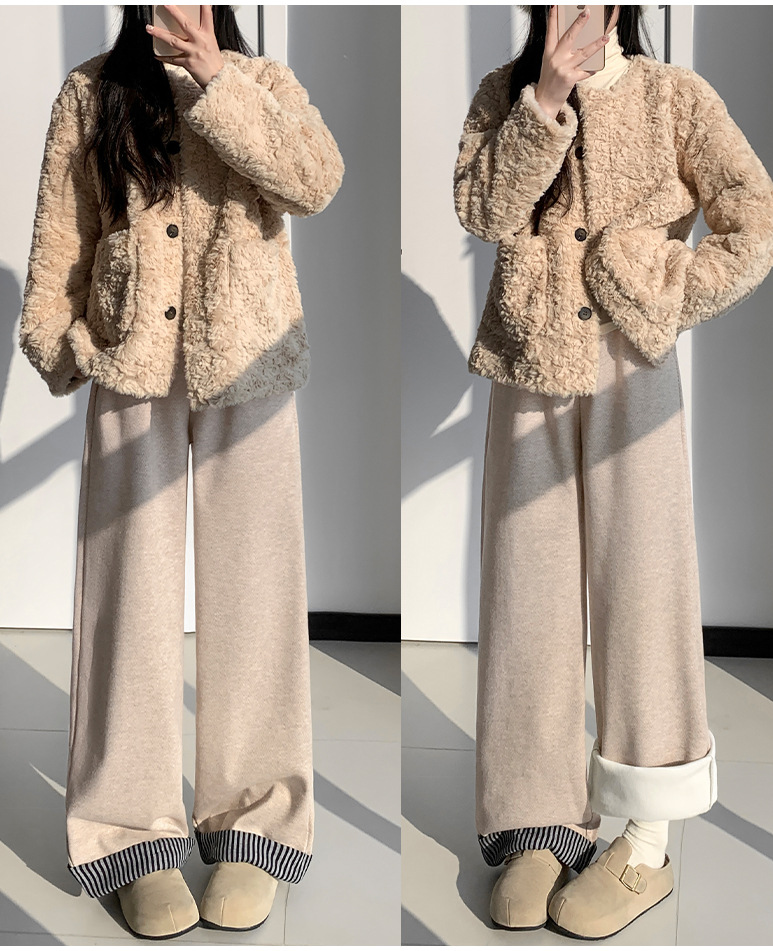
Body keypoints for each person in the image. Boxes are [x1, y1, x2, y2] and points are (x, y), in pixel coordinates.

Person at [453, 4, 773, 940]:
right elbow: (482, 211)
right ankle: (537, 821)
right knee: (528, 592)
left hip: (635, 373)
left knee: (644, 590)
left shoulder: (677, 97)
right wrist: (546, 100)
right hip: (528, 365)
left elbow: (757, 219)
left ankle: (647, 837)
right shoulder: (503, 93)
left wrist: (662, 288)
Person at [18, 4, 344, 939]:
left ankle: (255, 826)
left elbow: (315, 181)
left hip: (251, 366)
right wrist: (69, 345)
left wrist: (217, 79)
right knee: (128, 600)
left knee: (257, 598)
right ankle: (130, 832)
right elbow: (60, 242)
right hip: (132, 368)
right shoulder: (90, 91)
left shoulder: (263, 81)